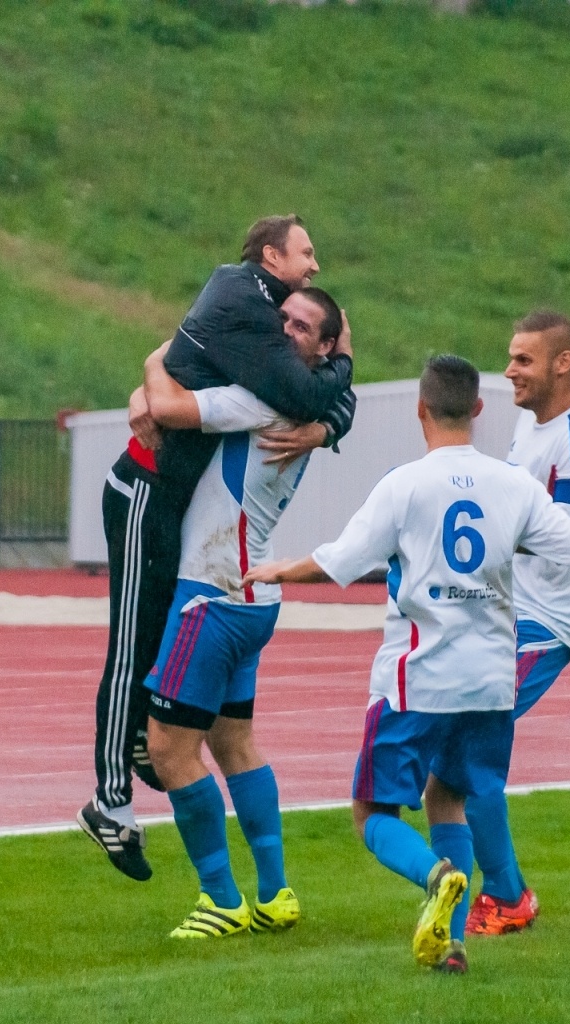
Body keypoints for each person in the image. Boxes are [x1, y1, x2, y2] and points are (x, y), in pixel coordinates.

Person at [244, 356, 570, 973]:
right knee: (447, 797)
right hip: (490, 682)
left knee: (372, 815)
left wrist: (279, 569)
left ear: (420, 408)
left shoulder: (405, 484)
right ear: (479, 410)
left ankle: (435, 876)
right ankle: (451, 946)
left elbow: (340, 561)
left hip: (419, 678)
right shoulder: (513, 484)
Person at [80, 215, 355, 881]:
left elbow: (304, 392)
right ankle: (110, 799)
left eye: (300, 328)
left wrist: (329, 418)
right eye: (306, 252)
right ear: (271, 257)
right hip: (147, 486)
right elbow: (285, 390)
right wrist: (152, 373)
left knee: (167, 665)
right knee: (133, 641)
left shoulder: (264, 358)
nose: (314, 264)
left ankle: (140, 763)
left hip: (191, 529)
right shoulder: (243, 305)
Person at [138, 286, 344, 938]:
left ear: (325, 349)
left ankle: (220, 899)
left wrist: (155, 362)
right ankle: (275, 893)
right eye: (282, 317)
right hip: (252, 592)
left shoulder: (259, 400)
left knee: (167, 749)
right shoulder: (309, 403)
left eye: (302, 326)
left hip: (212, 594)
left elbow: (167, 407)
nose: (283, 329)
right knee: (234, 744)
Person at [444, 310, 570, 938]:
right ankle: (487, 893)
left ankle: (505, 895)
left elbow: (566, 536)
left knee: (465, 752)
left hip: (547, 621)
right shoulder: (533, 422)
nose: (509, 370)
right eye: (511, 356)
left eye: (523, 359)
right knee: (455, 754)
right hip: (508, 609)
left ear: (562, 363)